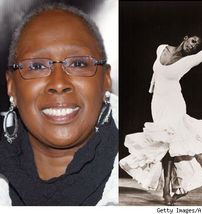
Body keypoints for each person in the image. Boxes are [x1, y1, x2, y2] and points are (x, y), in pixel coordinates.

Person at [0, 2, 118, 206]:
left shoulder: (136, 163)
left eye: (78, 63)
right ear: (11, 86)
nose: (59, 84)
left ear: (106, 80)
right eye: (36, 66)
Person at [120, 18, 202, 205]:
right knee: (163, 146)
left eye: (197, 46)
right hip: (157, 104)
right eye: (193, 41)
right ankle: (170, 188)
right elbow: (156, 72)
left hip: (174, 104)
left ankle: (170, 189)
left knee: (173, 145)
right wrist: (152, 89)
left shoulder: (189, 61)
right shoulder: (161, 48)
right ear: (186, 38)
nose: (194, 47)